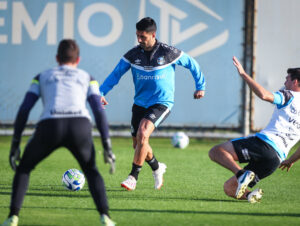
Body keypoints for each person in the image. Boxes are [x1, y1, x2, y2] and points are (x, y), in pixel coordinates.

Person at [1, 39, 116, 226]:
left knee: (24, 168)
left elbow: (24, 109)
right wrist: (106, 144)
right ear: (78, 60)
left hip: (50, 126)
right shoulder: (88, 77)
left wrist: (15, 143)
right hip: (80, 126)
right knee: (91, 171)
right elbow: (98, 109)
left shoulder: (41, 76)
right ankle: (106, 217)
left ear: (57, 58)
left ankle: (13, 217)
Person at [100, 17, 206, 191]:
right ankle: (157, 168)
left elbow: (192, 64)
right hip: (140, 103)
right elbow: (115, 75)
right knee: (139, 144)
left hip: (161, 103)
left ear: (153, 35)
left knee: (143, 133)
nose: (139, 40)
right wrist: (101, 92)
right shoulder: (133, 55)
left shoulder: (168, 52)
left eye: (142, 36)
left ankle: (133, 176)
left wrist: (200, 86)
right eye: (137, 36)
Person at [209, 56, 300, 203]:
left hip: (264, 144)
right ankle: (251, 195)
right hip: (275, 161)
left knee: (216, 152)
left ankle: (240, 174)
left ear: (295, 82)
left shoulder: (289, 96)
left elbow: (264, 95)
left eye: (287, 79)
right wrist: (290, 160)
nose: (285, 82)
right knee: (230, 188)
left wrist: (244, 74)